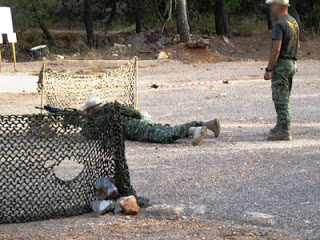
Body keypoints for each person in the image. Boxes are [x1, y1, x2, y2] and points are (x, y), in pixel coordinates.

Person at [80, 97, 221, 146]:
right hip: (141, 123)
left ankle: (193, 130)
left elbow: (89, 133)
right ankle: (206, 123)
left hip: (136, 130)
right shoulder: (112, 106)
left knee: (165, 135)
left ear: (92, 109)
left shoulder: (99, 118)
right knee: (167, 129)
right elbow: (135, 113)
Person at [264, 0, 299, 141]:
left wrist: (269, 69)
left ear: (279, 6)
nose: (271, 8)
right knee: (284, 95)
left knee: (280, 98)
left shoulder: (279, 24)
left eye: (272, 5)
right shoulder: (293, 22)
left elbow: (276, 49)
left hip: (282, 63)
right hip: (292, 62)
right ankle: (280, 124)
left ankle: (284, 129)